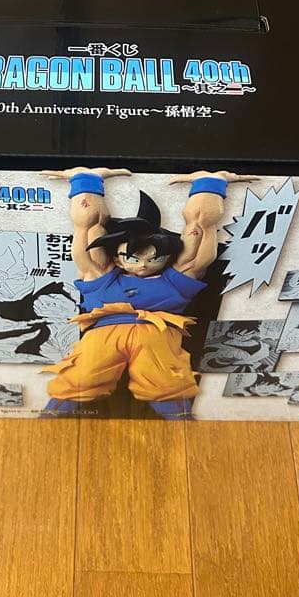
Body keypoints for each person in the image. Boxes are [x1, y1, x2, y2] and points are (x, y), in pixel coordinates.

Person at [38, 166, 257, 420]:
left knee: (166, 383)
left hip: (157, 334)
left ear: (167, 256)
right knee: (81, 376)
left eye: (154, 258)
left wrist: (210, 184)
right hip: (104, 334)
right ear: (118, 259)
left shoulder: (174, 281)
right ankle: (51, 415)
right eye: (133, 258)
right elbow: (87, 229)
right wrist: (86, 181)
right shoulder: (103, 278)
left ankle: (181, 421)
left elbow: (200, 231)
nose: (143, 265)